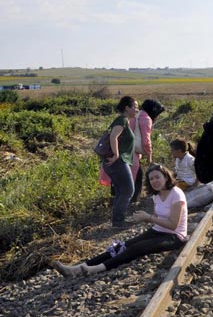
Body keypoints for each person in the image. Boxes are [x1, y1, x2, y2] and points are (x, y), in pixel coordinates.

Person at [52, 164, 189, 277]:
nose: (154, 181)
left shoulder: (176, 194)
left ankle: (97, 268)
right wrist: (145, 219)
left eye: (157, 177)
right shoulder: (156, 196)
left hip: (174, 236)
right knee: (121, 246)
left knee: (138, 248)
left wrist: (149, 218)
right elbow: (158, 218)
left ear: (166, 177)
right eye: (151, 179)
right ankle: (78, 268)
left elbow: (173, 224)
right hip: (157, 231)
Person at [102, 96, 138, 228]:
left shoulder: (124, 121)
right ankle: (118, 221)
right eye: (135, 107)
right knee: (128, 190)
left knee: (121, 191)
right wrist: (117, 154)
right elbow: (113, 137)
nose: (137, 110)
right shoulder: (122, 120)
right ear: (127, 108)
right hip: (118, 162)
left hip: (118, 162)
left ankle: (117, 220)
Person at [131, 99, 165, 202]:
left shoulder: (138, 115)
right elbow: (146, 141)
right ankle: (133, 201)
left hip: (127, 149)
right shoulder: (145, 118)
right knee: (136, 175)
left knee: (133, 174)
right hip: (132, 151)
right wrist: (149, 156)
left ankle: (130, 199)